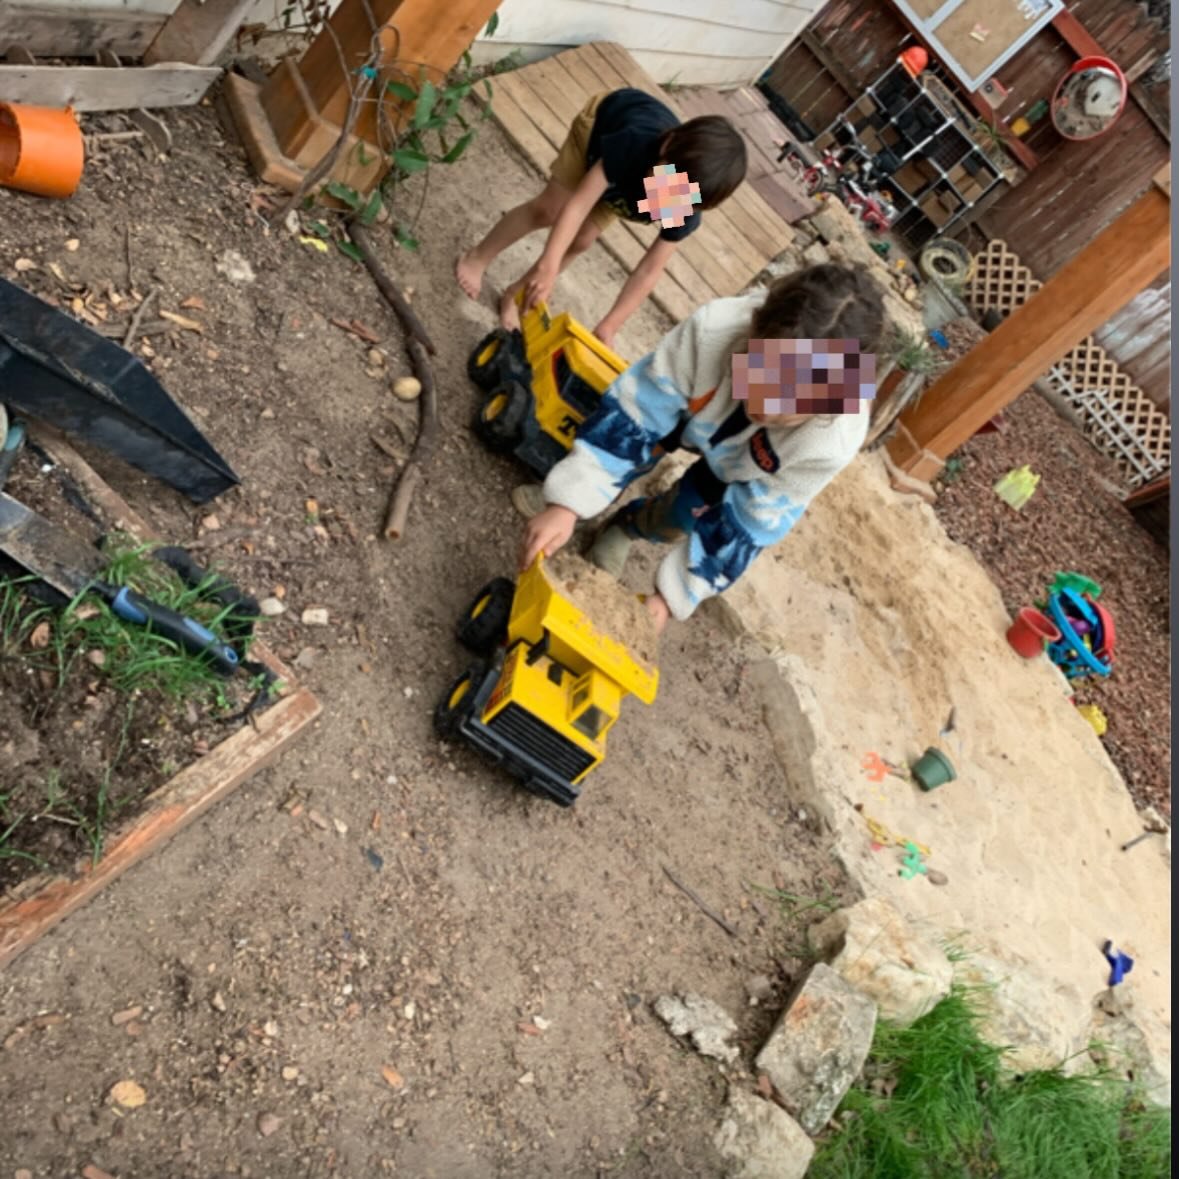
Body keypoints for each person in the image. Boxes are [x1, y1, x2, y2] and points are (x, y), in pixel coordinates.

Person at [517, 264, 885, 635]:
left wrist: (671, 597)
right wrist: (568, 502)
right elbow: (636, 414)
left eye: (788, 406)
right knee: (630, 442)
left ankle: (624, 529)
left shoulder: (830, 442)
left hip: (741, 465)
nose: (765, 407)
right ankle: (567, 496)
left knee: (682, 513)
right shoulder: (716, 329)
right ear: (754, 330)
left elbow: (752, 522)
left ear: (829, 405)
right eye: (760, 378)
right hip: (689, 408)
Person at [455, 88, 747, 349]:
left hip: (624, 183)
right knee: (550, 208)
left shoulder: (680, 204)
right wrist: (549, 264)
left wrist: (610, 325)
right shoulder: (634, 145)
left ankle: (515, 295)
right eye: (669, 184)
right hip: (599, 132)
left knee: (581, 240)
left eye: (683, 199)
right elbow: (580, 204)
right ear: (666, 146)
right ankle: (478, 256)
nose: (666, 200)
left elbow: (649, 271)